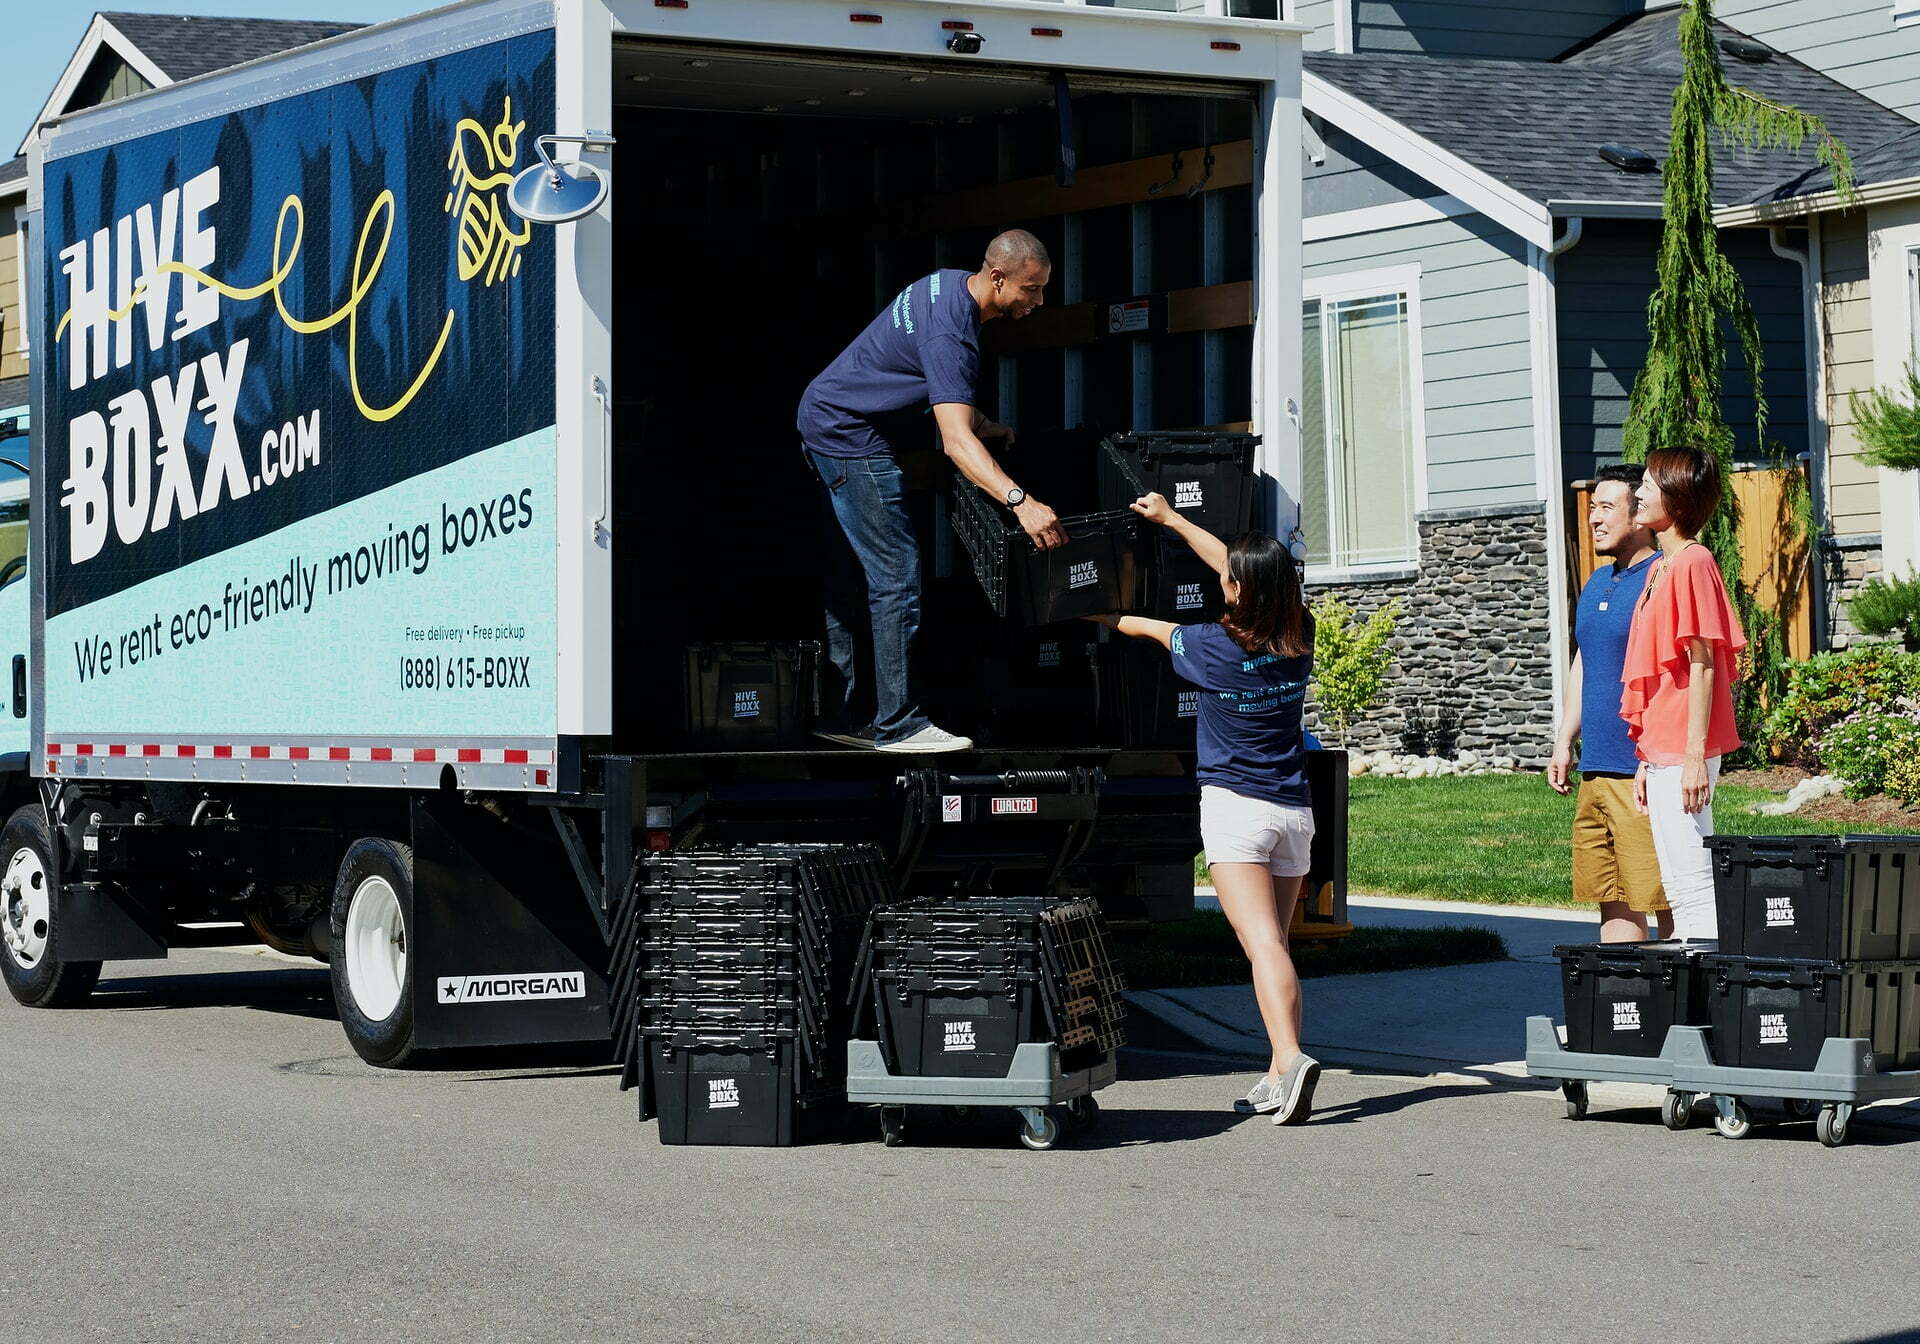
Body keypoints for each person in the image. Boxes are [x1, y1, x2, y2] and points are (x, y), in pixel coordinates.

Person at [1090, 493, 1321, 1125]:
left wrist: (1101, 612)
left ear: (1240, 592)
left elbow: (1145, 627)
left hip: (1237, 813)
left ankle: (1293, 1057)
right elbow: (1243, 571)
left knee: (1264, 945)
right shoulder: (1300, 632)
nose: (1223, 580)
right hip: (1293, 815)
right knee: (1273, 947)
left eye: (1230, 580)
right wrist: (1172, 520)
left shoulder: (1210, 647)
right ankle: (1278, 1076)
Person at [797, 230, 1066, 754]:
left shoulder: (944, 286)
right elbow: (955, 445)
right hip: (848, 435)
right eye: (1031, 289)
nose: (1038, 301)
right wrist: (1022, 503)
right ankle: (898, 725)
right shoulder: (954, 336)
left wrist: (979, 418)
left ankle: (849, 715)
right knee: (896, 576)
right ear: (996, 278)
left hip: (824, 416)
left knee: (853, 572)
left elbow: (919, 370)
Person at [1621, 447, 1746, 945]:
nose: (1638, 492)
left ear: (1674, 500)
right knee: (1675, 879)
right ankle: (1690, 991)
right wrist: (1646, 758)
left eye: (1649, 485)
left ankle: (1707, 993)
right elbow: (1658, 672)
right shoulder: (1658, 569)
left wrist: (1695, 756)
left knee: (1693, 877)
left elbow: (1703, 661)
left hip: (1685, 746)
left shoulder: (1694, 561)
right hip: (1664, 747)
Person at [1548, 464, 1670, 941]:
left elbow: (1674, 676)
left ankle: (1681, 1008)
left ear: (1639, 514)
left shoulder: (1661, 579)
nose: (1594, 518)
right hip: (1596, 769)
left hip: (1641, 771)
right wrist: (1564, 738)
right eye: (1592, 507)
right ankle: (1626, 1004)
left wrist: (1652, 756)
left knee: (1663, 897)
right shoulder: (1599, 581)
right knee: (1613, 895)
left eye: (1606, 508)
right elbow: (1586, 660)